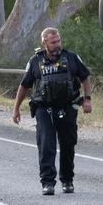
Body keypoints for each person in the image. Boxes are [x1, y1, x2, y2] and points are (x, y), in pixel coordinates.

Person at [12, 27, 92, 195]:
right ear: (44, 43)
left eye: (59, 41)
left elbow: (85, 77)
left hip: (68, 106)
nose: (57, 44)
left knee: (68, 144)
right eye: (53, 42)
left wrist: (87, 99)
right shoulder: (35, 61)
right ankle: (47, 182)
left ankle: (67, 180)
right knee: (46, 144)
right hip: (44, 108)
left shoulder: (71, 58)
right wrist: (16, 109)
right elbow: (24, 86)